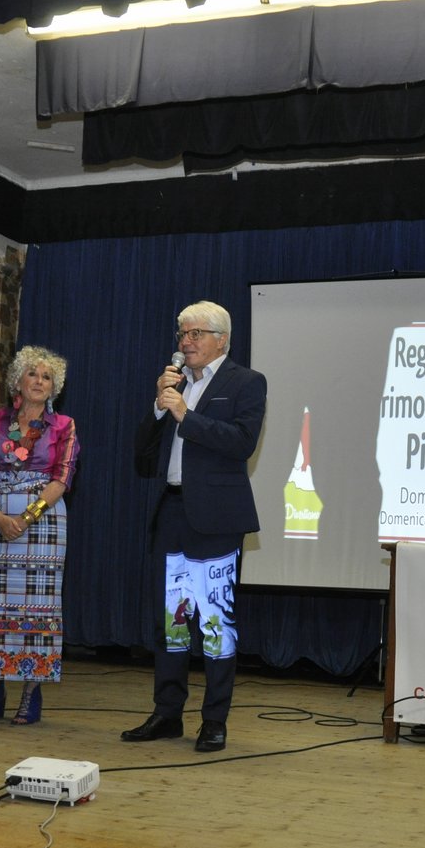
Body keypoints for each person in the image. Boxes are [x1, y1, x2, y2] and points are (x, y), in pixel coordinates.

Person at [123, 301, 267, 752]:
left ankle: (214, 720)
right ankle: (167, 714)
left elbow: (241, 443)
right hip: (173, 512)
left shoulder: (246, 382)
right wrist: (160, 406)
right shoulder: (176, 385)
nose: (185, 343)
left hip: (218, 517)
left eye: (195, 334)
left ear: (220, 339)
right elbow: (142, 454)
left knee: (215, 623)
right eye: (182, 334)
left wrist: (186, 413)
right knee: (173, 621)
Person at [0, 345, 79, 725]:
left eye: (47, 377)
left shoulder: (64, 426)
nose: (39, 381)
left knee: (37, 608)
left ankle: (31, 692)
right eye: (32, 374)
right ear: (18, 380)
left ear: (54, 388)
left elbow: (62, 479)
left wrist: (27, 517)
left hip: (43, 523)